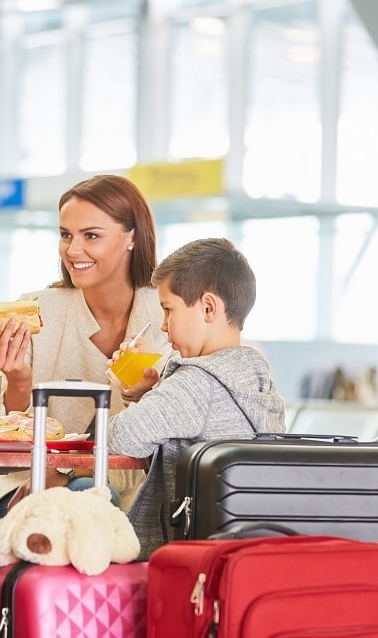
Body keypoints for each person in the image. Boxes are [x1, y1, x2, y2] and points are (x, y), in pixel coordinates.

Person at [0, 174, 173, 532]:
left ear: (131, 236)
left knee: (88, 497)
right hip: (31, 486)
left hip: (138, 497)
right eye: (65, 234)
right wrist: (17, 380)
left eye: (91, 236)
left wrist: (70, 473)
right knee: (83, 502)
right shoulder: (38, 311)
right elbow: (7, 432)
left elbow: (172, 434)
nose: (72, 250)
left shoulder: (168, 315)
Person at [106, 237, 286, 557]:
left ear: (207, 307)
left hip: (189, 560)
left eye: (168, 310)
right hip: (247, 553)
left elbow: (122, 436)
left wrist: (153, 396)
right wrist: (151, 395)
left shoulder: (196, 382)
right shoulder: (259, 383)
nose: (163, 327)